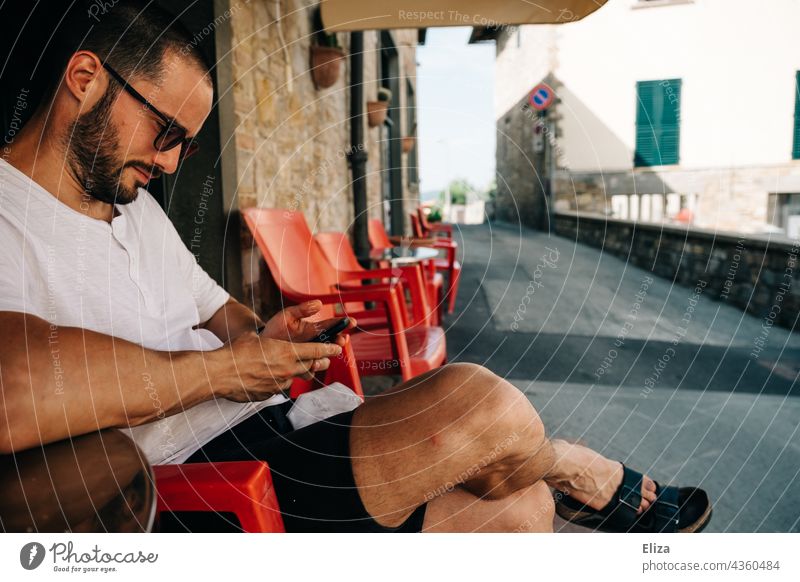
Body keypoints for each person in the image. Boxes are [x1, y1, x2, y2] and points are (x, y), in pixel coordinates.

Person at [0, 1, 711, 533]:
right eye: (166, 134)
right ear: (86, 79)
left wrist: (268, 338)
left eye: (186, 146)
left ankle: (551, 475)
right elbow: (13, 386)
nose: (169, 163)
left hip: (275, 423)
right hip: (194, 479)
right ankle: (578, 468)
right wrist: (222, 372)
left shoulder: (138, 212)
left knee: (518, 512)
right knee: (481, 408)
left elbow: (226, 316)